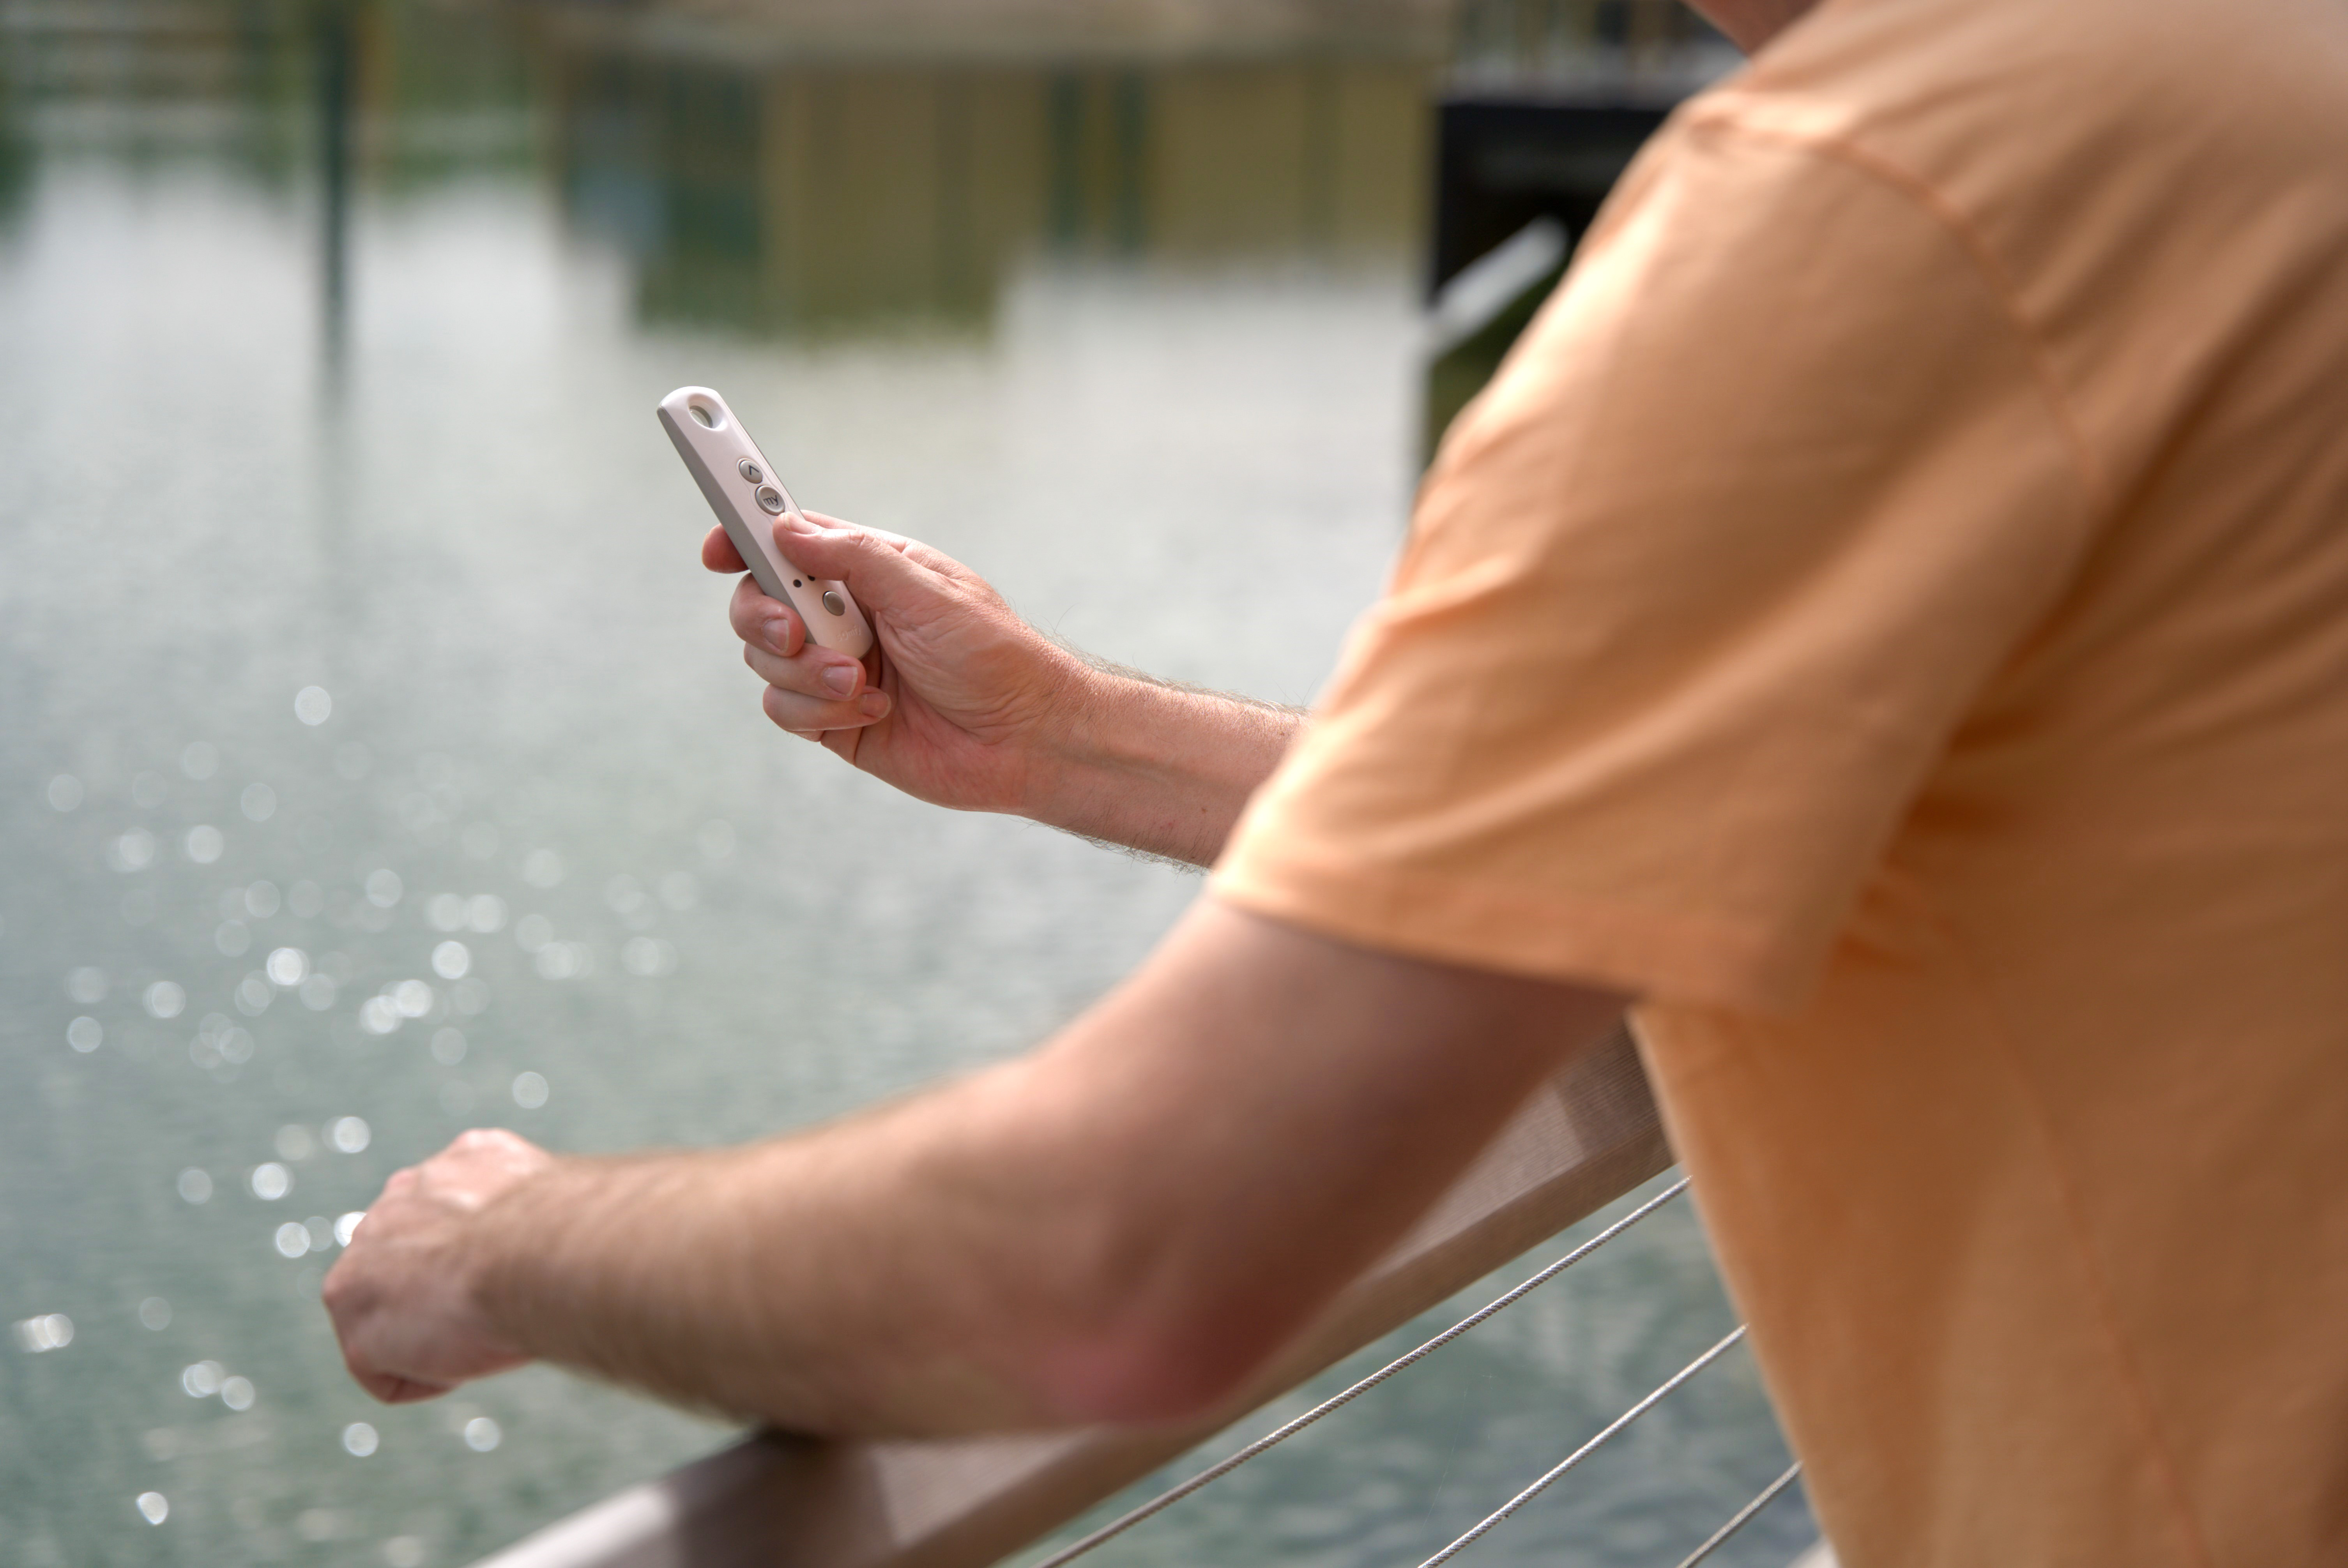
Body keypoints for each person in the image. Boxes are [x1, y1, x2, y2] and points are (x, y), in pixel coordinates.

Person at [324, 0, 2348, 1559]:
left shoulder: (1902, 192)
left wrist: (506, 1244)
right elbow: (1911, 838)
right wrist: (1063, 735)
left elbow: (1117, 1259)